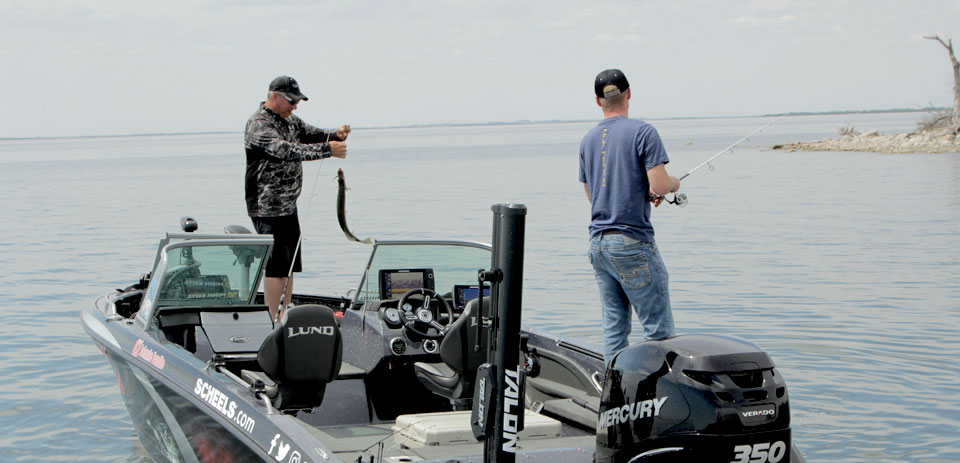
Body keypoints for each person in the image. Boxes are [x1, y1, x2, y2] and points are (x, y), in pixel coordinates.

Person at [578, 69, 681, 364]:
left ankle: (615, 398)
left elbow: (594, 196)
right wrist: (672, 184)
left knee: (614, 330)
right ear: (629, 94)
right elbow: (660, 185)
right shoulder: (644, 132)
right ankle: (661, 402)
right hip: (632, 244)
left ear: (599, 101)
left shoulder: (587, 140)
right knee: (658, 333)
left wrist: (642, 192)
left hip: (598, 244)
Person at [244, 75, 350, 321]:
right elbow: (285, 151)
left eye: (297, 101)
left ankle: (286, 312)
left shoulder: (289, 119)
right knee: (276, 266)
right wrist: (328, 150)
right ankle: (273, 318)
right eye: (291, 101)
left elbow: (311, 134)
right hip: (266, 206)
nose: (295, 106)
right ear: (275, 96)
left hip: (289, 205)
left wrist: (336, 135)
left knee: (290, 264)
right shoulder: (258, 124)